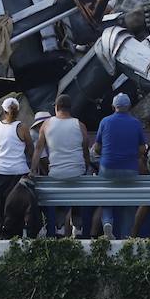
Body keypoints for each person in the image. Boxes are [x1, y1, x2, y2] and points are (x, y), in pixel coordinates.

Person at [31, 94, 90, 238]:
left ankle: (59, 230)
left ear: (56, 107)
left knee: (60, 203)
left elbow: (38, 149)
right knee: (76, 202)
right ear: (71, 108)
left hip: (56, 173)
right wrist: (86, 167)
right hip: (77, 172)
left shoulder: (46, 125)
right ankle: (77, 230)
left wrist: (32, 170)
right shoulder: (80, 125)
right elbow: (85, 151)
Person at [92, 93, 143, 239]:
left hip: (108, 167)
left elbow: (97, 148)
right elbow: (142, 149)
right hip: (130, 169)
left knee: (106, 195)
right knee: (129, 201)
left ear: (114, 107)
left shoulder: (105, 121)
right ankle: (126, 235)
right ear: (129, 107)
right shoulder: (136, 123)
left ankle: (107, 222)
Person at [0, 97, 34, 239]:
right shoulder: (22, 127)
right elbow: (30, 148)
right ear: (18, 111)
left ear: (4, 111)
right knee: (17, 209)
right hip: (18, 172)